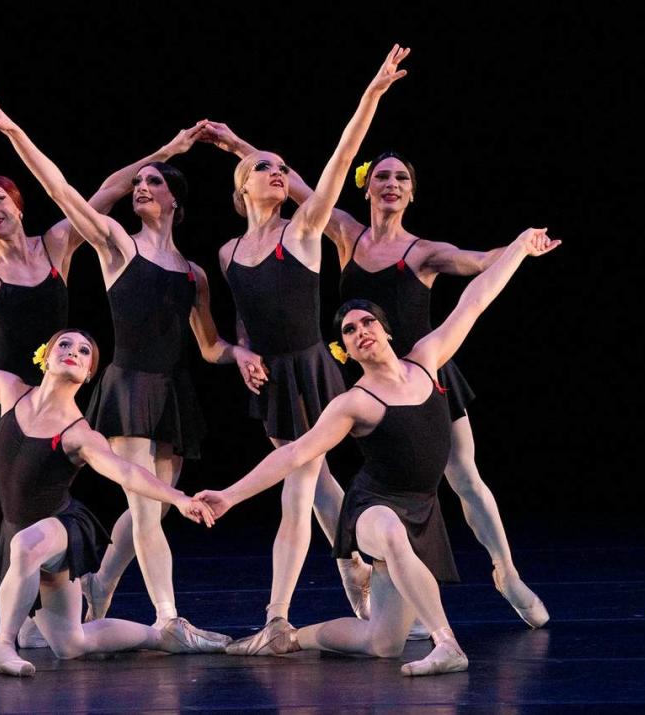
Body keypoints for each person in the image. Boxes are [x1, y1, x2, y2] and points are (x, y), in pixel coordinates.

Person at [0, 128, 211, 645]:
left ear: (17, 206)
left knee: (50, 501)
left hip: (54, 397)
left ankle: (56, 610)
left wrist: (166, 152)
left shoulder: (58, 245)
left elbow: (106, 190)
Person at [199, 146, 548, 632]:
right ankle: (385, 586)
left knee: (463, 475)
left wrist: (518, 249)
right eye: (382, 176)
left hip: (428, 367)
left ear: (411, 192)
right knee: (381, 485)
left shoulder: (422, 250)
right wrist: (237, 146)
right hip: (371, 377)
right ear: (366, 188)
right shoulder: (342, 232)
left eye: (402, 178)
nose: (391, 184)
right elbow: (299, 179)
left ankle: (506, 573)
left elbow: (478, 264)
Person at [0, 86, 266, 631]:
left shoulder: (194, 274)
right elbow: (61, 190)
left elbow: (209, 346)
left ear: (174, 200)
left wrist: (241, 352)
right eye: (137, 182)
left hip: (172, 391)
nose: (141, 187)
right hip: (127, 385)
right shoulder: (116, 244)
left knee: (146, 512)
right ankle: (168, 619)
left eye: (152, 181)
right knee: (146, 507)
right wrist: (16, 133)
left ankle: (103, 581)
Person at [0, 285, 231, 676]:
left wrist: (178, 497)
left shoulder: (79, 434)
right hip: (22, 533)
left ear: (89, 374)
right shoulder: (10, 392)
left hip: (61, 527)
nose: (73, 351)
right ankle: (163, 637)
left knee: (25, 544)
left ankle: (1, 646)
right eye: (64, 345)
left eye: (84, 352)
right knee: (71, 644)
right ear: (46, 358)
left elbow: (127, 471)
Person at [203, 45, 409, 637]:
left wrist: (370, 96)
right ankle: (350, 561)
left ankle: (277, 618)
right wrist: (241, 352)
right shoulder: (227, 253)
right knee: (316, 480)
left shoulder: (304, 229)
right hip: (272, 379)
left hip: (313, 370)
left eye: (280, 167)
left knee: (297, 491)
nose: (277, 173)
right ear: (243, 187)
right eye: (264, 168)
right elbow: (243, 317)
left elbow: (342, 160)